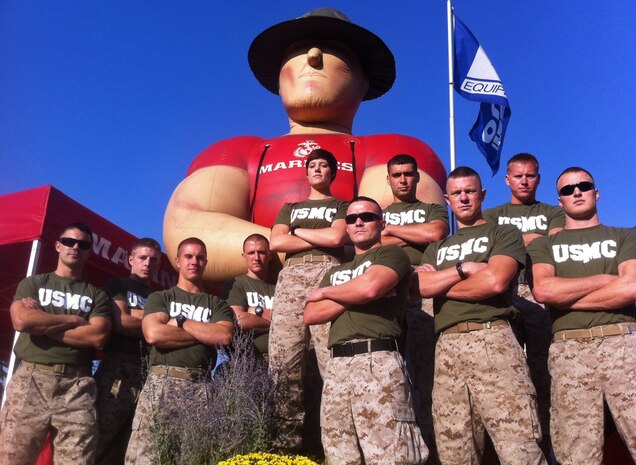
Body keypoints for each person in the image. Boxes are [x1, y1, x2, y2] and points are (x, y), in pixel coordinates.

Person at [163, 7, 447, 287]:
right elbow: (185, 227)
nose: (313, 56)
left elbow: (384, 233)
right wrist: (325, 247)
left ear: (363, 82)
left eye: (334, 50)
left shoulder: (396, 150)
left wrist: (286, 241)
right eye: (298, 51)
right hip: (256, 302)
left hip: (358, 296)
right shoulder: (232, 151)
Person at [417, 167, 547, 464]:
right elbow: (420, 286)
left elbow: (495, 282)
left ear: (482, 195)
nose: (464, 198)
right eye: (457, 193)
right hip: (447, 349)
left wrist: (440, 284)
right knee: (455, 452)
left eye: (470, 191)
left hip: (494, 341)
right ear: (447, 200)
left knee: (519, 448)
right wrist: (464, 270)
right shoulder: (437, 248)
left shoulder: (502, 233)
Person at [304, 196, 428, 464]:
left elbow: (369, 288)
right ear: (346, 227)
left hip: (378, 362)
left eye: (366, 217)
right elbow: (312, 314)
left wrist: (328, 292)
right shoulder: (336, 271)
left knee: (390, 454)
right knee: (340, 453)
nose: (358, 222)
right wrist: (358, 292)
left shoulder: (391, 255)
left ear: (381, 223)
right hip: (337, 367)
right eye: (351, 219)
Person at [527, 167, 636, 465]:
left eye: (584, 186)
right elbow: (545, 291)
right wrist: (605, 279)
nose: (576, 192)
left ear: (596, 192)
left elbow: (631, 287)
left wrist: (568, 300)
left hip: (624, 345)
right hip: (569, 350)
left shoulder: (626, 235)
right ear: (559, 201)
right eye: (567, 189)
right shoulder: (543, 245)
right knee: (577, 452)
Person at [0, 222, 112, 465]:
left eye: (83, 244)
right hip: (31, 379)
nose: (75, 247)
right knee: (12, 458)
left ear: (89, 251)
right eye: (70, 242)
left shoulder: (97, 295)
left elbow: (97, 336)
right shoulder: (34, 283)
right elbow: (21, 320)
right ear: (58, 245)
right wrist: (71, 319)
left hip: (77, 385)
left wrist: (42, 323)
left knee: (77, 460)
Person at [124, 237, 234, 465]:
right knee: (147, 457)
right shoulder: (160, 297)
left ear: (205, 262)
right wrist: (204, 334)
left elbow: (223, 336)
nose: (194, 261)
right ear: (177, 261)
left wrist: (181, 322)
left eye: (200, 257)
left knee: (193, 457)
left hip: (201, 388)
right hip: (161, 384)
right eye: (188, 256)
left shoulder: (217, 305)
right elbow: (154, 334)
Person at [483, 152, 564, 460]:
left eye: (530, 176)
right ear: (507, 179)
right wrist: (530, 239)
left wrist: (508, 242)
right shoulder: (492, 215)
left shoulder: (553, 212)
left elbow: (557, 240)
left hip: (540, 290)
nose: (525, 181)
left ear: (539, 178)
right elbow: (487, 249)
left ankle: (550, 445)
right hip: (505, 292)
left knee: (544, 368)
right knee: (509, 371)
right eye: (518, 176)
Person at [267, 148, 348, 452]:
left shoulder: (341, 205)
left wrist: (297, 233)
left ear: (332, 172)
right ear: (306, 172)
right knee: (285, 359)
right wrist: (315, 233)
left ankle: (337, 447)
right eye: (312, 165)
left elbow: (337, 239)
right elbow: (276, 241)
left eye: (323, 165)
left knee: (332, 360)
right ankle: (285, 447)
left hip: (328, 274)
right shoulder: (290, 207)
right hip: (292, 278)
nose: (317, 169)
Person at [381, 153, 449, 461]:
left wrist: (391, 231)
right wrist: (411, 238)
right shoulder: (378, 212)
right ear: (389, 179)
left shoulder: (433, 209)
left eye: (408, 174)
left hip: (425, 294)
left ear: (417, 176)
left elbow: (435, 233)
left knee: (427, 371)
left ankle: (432, 449)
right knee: (393, 372)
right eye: (397, 175)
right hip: (390, 296)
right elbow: (373, 242)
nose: (403, 179)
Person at [93, 237, 162, 465]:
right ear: (131, 259)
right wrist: (156, 323)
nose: (147, 263)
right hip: (117, 370)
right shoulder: (118, 285)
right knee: (100, 437)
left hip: (148, 371)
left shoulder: (160, 296)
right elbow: (121, 321)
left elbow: (154, 328)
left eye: (153, 260)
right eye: (142, 258)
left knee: (131, 443)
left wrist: (138, 316)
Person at [223, 233, 276, 359]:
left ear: (270, 255)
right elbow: (239, 320)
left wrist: (257, 312)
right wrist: (278, 322)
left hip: (281, 360)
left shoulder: (281, 286)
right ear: (244, 256)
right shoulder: (236, 284)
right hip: (250, 362)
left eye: (261, 252)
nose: (256, 257)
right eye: (251, 253)